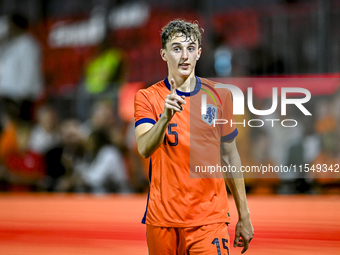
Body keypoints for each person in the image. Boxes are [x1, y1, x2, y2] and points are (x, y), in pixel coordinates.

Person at [134, 20, 254, 254]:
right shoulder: (147, 98)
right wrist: (165, 117)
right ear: (163, 54)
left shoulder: (220, 96)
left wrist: (244, 214)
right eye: (176, 48)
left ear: (199, 53)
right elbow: (144, 148)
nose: (184, 56)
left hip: (209, 220)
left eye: (190, 48)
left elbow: (230, 157)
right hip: (163, 220)